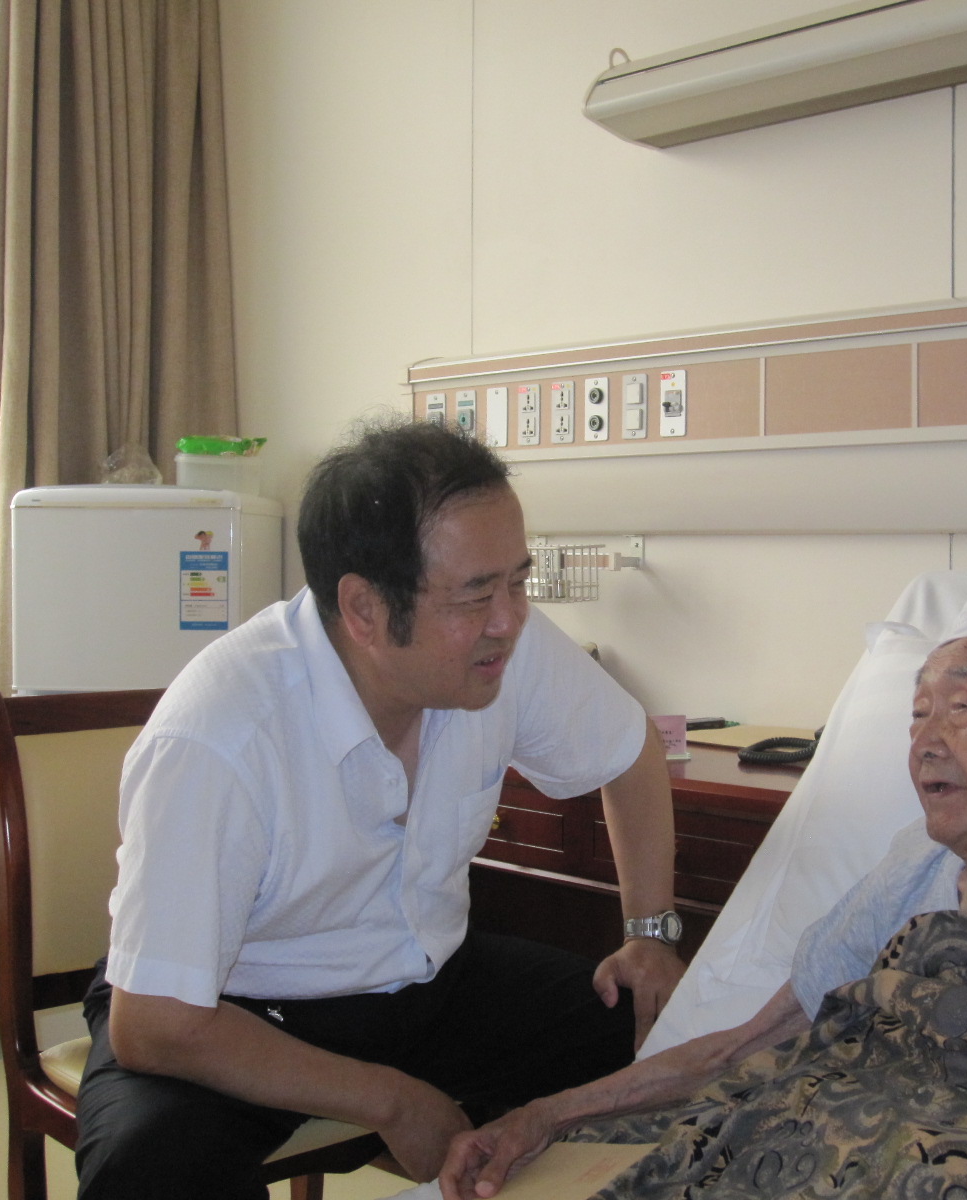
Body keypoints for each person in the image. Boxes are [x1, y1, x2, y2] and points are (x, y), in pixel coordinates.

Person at [441, 581, 967, 1200]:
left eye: (961, 707)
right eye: (917, 713)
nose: (925, 741)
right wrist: (543, 1115)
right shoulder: (912, 867)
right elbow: (748, 1047)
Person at [74, 419, 687, 1199]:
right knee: (149, 1170)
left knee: (666, 1038)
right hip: (236, 1009)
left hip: (427, 983)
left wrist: (648, 934)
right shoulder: (221, 734)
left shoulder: (503, 649)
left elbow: (630, 751)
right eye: (475, 594)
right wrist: (389, 1099)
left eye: (517, 582)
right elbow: (155, 1022)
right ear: (364, 608)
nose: (508, 619)